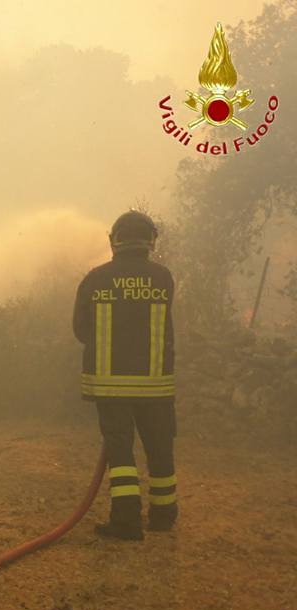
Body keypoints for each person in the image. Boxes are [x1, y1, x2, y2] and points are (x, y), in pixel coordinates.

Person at [73, 211, 177, 541]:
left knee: (121, 455)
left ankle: (127, 521)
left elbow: (80, 330)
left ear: (114, 240)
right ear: (150, 241)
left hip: (111, 385)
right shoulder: (163, 278)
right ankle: (163, 516)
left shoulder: (95, 279)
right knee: (160, 449)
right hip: (156, 385)